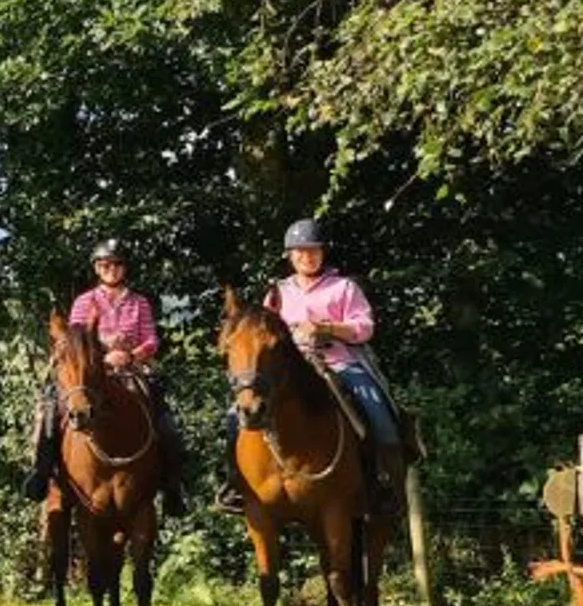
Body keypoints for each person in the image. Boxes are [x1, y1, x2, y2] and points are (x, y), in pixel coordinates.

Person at [217, 218, 404, 512]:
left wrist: (327, 328)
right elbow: (263, 334)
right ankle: (234, 482)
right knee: (234, 416)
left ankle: (383, 482)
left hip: (338, 362)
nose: (307, 256)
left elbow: (365, 327)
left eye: (313, 250)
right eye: (300, 251)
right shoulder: (276, 293)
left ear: (323, 252)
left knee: (377, 412)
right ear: (290, 255)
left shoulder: (343, 288)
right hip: (289, 369)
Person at [21, 240, 190, 516]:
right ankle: (41, 473)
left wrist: (131, 355)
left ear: (124, 268)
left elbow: (151, 340)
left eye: (117, 264)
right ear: (97, 269)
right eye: (105, 265)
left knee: (165, 418)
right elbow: (75, 343)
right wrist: (103, 354)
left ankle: (174, 485)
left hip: (132, 369)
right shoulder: (84, 302)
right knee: (50, 408)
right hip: (90, 370)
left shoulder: (139, 302)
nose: (111, 269)